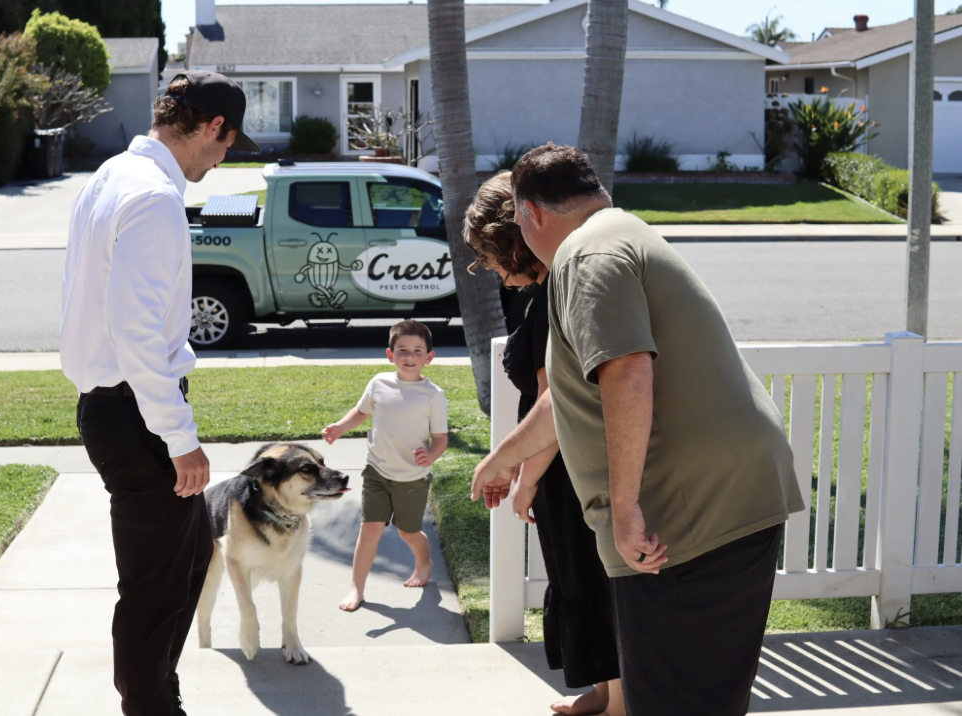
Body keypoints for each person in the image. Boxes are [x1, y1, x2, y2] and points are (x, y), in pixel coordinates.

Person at [471, 144, 804, 716]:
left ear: (531, 214)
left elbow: (626, 371)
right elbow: (572, 397)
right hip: (730, 497)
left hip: (685, 517)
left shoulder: (586, 256)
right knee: (704, 695)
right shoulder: (621, 232)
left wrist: (623, 510)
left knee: (670, 701)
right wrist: (503, 458)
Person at [60, 71, 260, 716]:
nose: (224, 155)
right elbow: (139, 332)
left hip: (116, 406)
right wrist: (181, 440)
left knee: (189, 552)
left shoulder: (113, 175)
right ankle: (152, 706)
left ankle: (155, 696)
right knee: (155, 584)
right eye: (226, 144)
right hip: (135, 412)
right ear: (211, 128)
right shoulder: (152, 197)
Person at [465, 172, 624, 716]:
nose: (490, 270)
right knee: (574, 577)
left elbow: (552, 403)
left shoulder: (551, 299)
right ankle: (602, 694)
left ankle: (621, 703)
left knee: (590, 578)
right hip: (565, 463)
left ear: (511, 241)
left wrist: (523, 479)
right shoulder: (545, 292)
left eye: (489, 257)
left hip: (570, 467)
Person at [322, 320, 449, 611]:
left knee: (408, 532)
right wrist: (340, 427)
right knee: (370, 530)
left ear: (429, 357)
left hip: (412, 478)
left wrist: (429, 455)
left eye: (417, 350)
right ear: (390, 355)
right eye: (402, 349)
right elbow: (362, 411)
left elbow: (440, 439)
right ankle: (356, 588)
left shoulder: (433, 396)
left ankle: (424, 563)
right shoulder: (378, 383)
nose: (409, 356)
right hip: (376, 472)